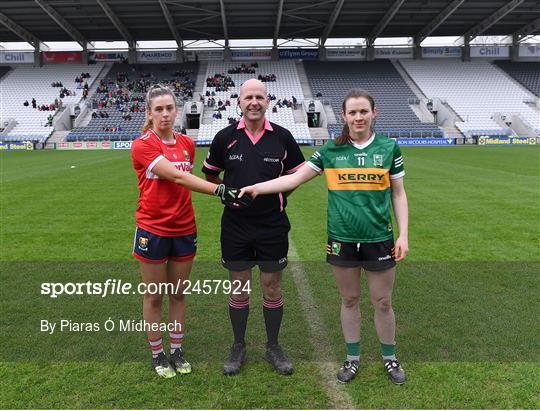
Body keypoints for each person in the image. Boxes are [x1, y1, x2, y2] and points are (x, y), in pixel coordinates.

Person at [240, 89, 409, 385]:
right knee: (349, 299)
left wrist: (403, 235)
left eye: (363, 111)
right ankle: (352, 358)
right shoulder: (331, 151)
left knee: (382, 302)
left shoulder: (389, 148)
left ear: (374, 113)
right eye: (352, 113)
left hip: (379, 239)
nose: (358, 117)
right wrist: (257, 187)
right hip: (341, 238)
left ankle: (390, 358)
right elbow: (294, 178)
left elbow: (399, 193)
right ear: (343, 116)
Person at [131, 84, 250, 379]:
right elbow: (177, 177)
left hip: (184, 228)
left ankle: (177, 349)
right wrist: (220, 189)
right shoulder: (143, 144)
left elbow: (184, 177)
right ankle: (157, 353)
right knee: (155, 296)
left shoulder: (187, 143)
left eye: (169, 108)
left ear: (177, 110)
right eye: (158, 109)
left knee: (179, 294)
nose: (165, 114)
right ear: (149, 113)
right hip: (152, 229)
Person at [201, 79, 305, 376]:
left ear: (268, 101)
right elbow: (209, 175)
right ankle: (238, 345)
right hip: (235, 226)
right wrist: (227, 195)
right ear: (239, 102)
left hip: (272, 225)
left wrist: (280, 195)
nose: (254, 102)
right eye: (249, 97)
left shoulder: (283, 138)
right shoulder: (224, 138)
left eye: (259, 96)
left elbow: (297, 177)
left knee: (272, 287)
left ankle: (273, 346)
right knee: (239, 286)